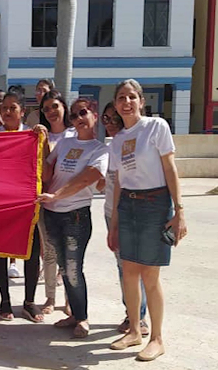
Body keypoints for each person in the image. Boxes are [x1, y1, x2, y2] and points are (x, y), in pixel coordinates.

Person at [108, 79, 187, 361]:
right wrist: (114, 221)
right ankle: (133, 330)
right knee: (128, 272)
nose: (126, 102)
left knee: (150, 275)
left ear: (141, 101)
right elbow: (118, 182)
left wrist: (179, 212)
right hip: (128, 204)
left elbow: (170, 167)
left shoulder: (156, 127)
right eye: (121, 98)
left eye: (131, 97)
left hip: (156, 203)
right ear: (116, 105)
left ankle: (156, 338)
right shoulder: (116, 140)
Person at [37, 97, 109, 338]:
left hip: (75, 216)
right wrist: (42, 142)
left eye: (84, 113)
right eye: (75, 115)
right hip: (52, 214)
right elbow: (47, 170)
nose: (79, 118)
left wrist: (55, 194)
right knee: (64, 268)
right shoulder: (65, 143)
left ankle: (83, 318)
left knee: (73, 268)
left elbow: (86, 179)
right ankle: (74, 315)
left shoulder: (100, 150)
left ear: (94, 116)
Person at [0, 86, 43, 322]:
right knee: (0, 254)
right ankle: (4, 300)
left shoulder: (33, 136)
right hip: (1, 206)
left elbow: (46, 164)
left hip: (26, 207)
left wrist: (43, 138)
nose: (9, 112)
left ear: (23, 111)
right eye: (5, 108)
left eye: (13, 108)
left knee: (31, 254)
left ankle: (29, 302)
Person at [102, 102, 150, 336]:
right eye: (106, 119)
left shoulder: (133, 145)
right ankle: (132, 314)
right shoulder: (112, 146)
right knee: (123, 266)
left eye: (115, 119)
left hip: (129, 213)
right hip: (111, 212)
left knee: (132, 267)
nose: (110, 124)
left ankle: (138, 318)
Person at [38, 89, 78, 315]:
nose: (52, 112)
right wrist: (41, 141)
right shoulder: (40, 136)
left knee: (69, 254)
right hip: (46, 203)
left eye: (55, 106)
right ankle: (50, 298)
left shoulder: (75, 135)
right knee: (50, 253)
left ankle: (69, 299)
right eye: (46, 109)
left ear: (64, 107)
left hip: (71, 205)